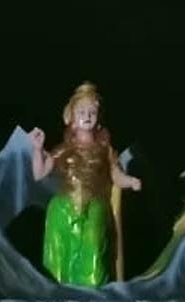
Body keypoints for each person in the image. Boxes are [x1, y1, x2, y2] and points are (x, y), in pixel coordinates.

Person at [29, 82, 142, 285]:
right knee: (62, 260)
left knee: (94, 258)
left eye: (92, 112)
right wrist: (37, 149)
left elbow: (115, 175)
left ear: (99, 117)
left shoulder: (104, 149)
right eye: (81, 111)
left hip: (94, 210)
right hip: (63, 210)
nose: (87, 116)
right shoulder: (65, 149)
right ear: (71, 117)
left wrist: (130, 181)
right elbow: (39, 173)